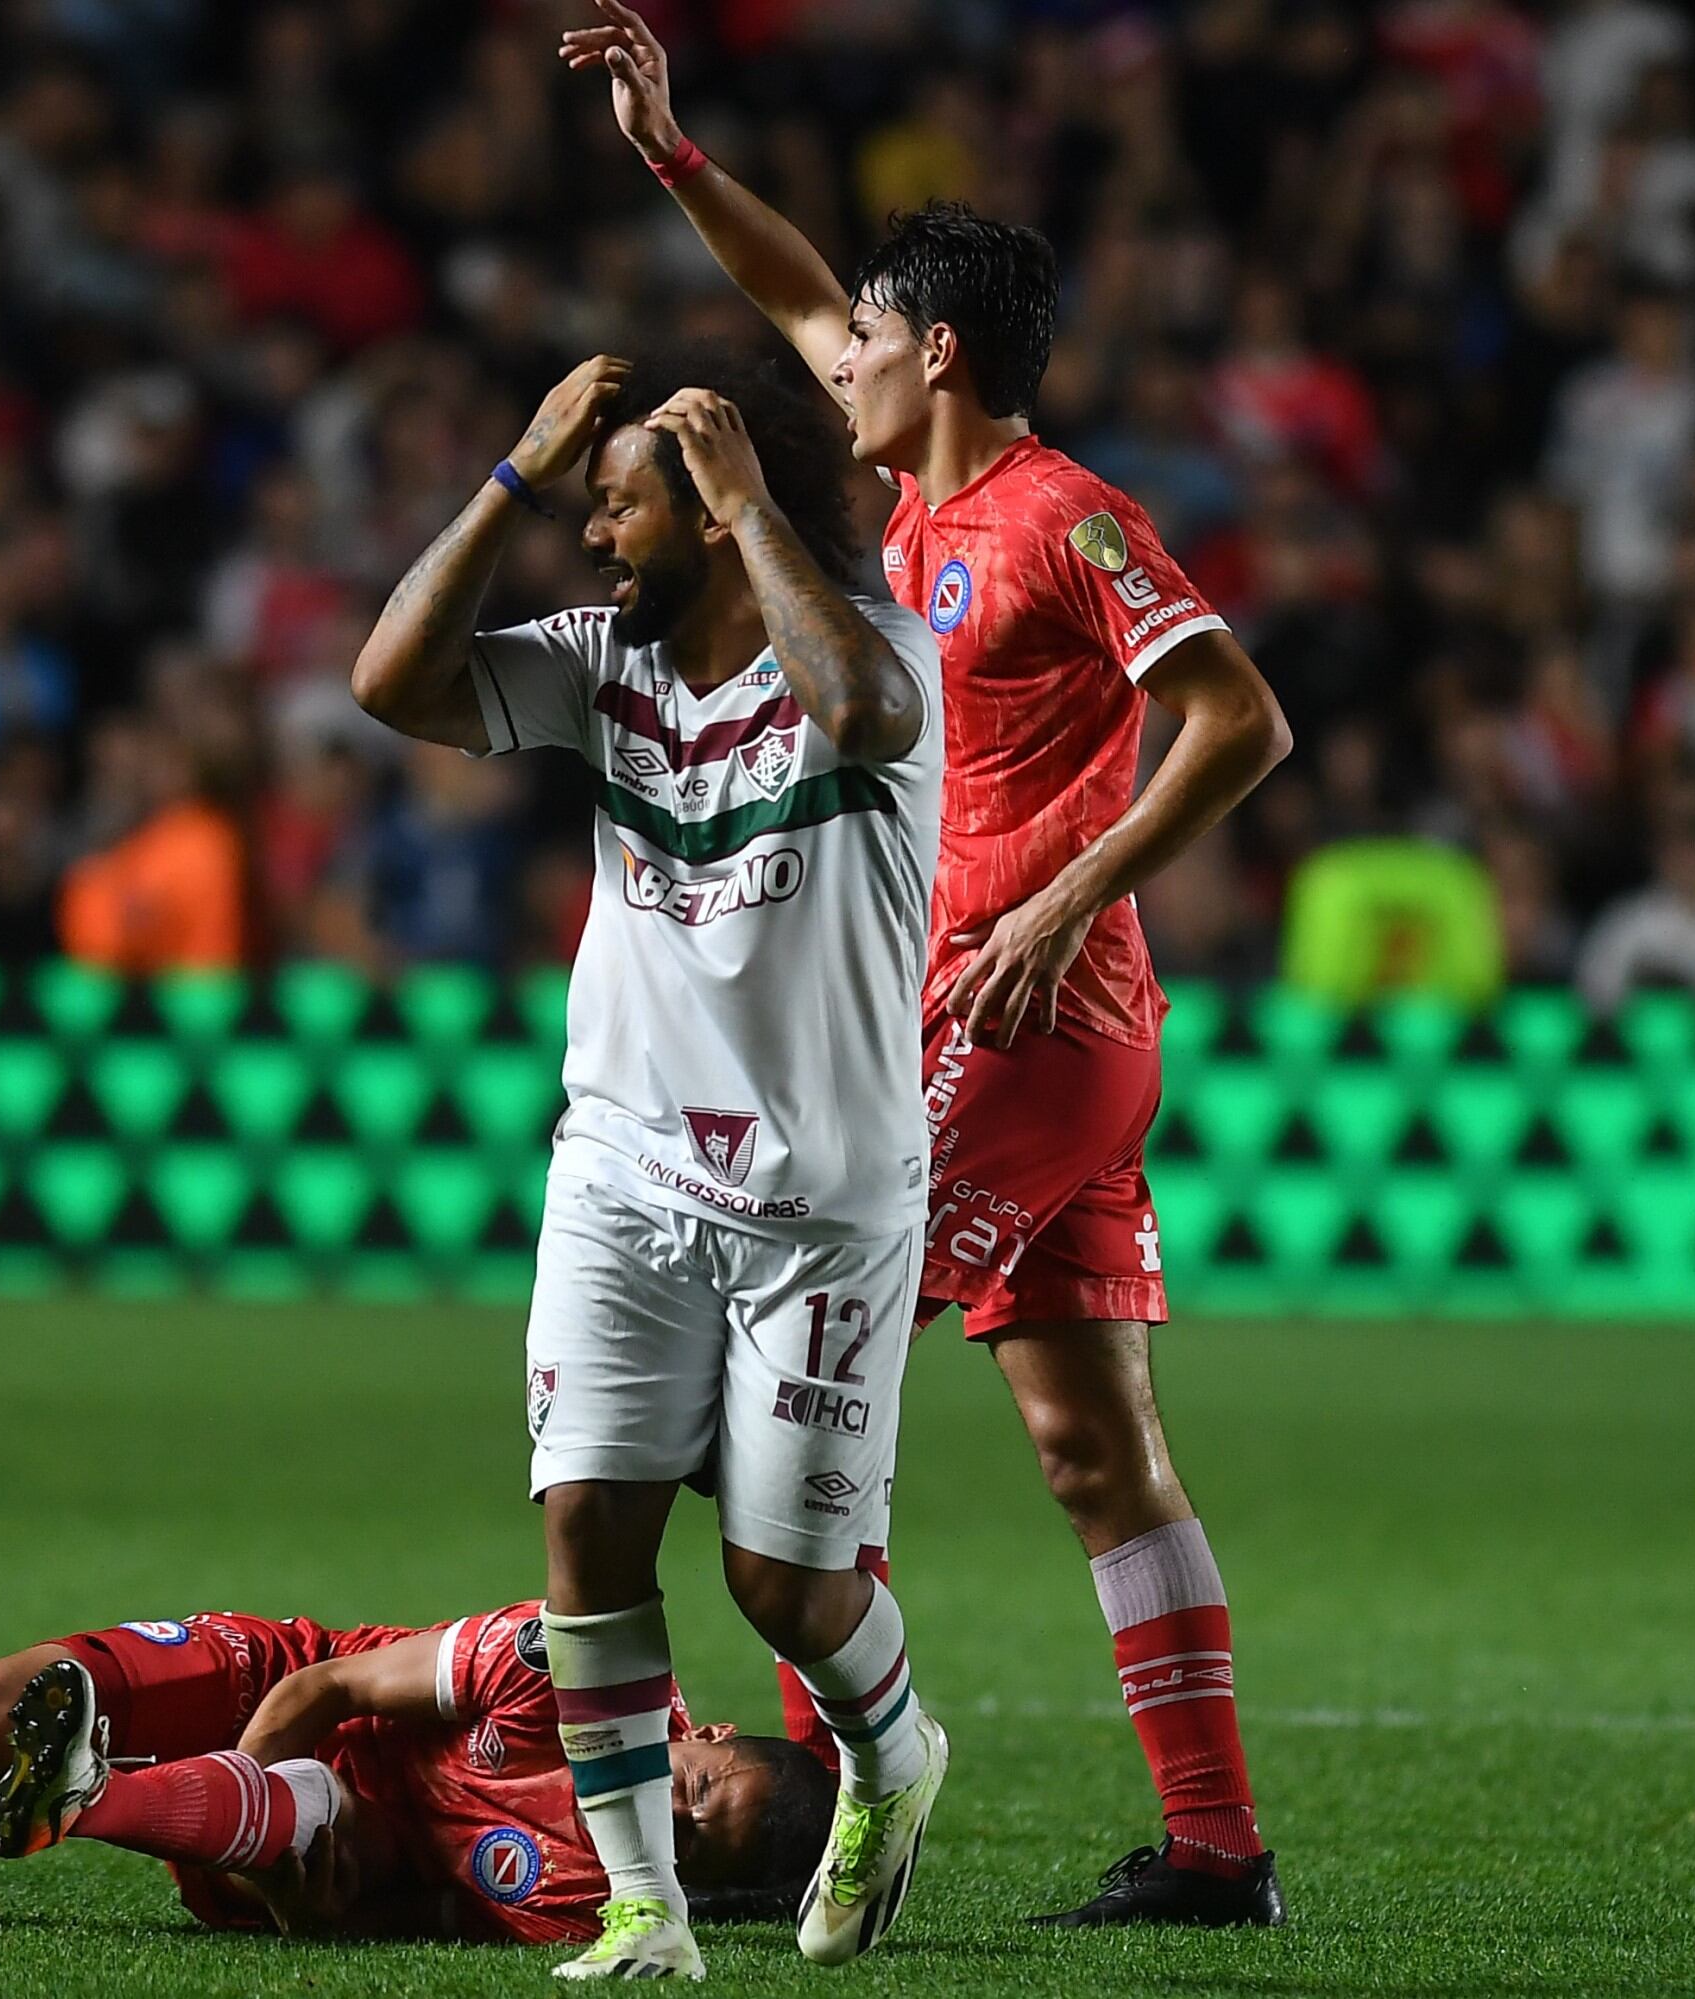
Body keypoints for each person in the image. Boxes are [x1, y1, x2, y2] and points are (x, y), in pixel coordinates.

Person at [565, 0, 1294, 1930]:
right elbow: (797, 281)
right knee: (1091, 1447)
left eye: (871, 345)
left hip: (1024, 1009)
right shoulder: (912, 502)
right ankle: (1215, 1850)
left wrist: (1059, 898)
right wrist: (667, 147)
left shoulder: (1057, 517)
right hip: (1011, 1015)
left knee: (770, 1403)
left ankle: (845, 1787)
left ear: (941, 353)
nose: (836, 364)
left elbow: (1236, 719)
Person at [351, 341, 948, 1978]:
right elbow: (387, 682)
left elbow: (867, 712)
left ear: (709, 502)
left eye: (619, 505)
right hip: (621, 1173)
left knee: (779, 1582)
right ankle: (642, 1908)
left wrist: (749, 501)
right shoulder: (588, 664)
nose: (591, 536)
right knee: (586, 1536)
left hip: (820, 1205)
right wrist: (510, 473)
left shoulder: (875, 648)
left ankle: (895, 1752)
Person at [0, 1600, 832, 1946]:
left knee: (310, 1816)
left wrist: (289, 1893)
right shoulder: (569, 1662)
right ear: (706, 1731)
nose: (668, 1815)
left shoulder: (586, 1898)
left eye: (693, 1842)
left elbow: (386, 1920)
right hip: (271, 1684)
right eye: (696, 1788)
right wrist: (220, 1785)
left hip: (306, 1844)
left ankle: (77, 1793)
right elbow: (325, 1692)